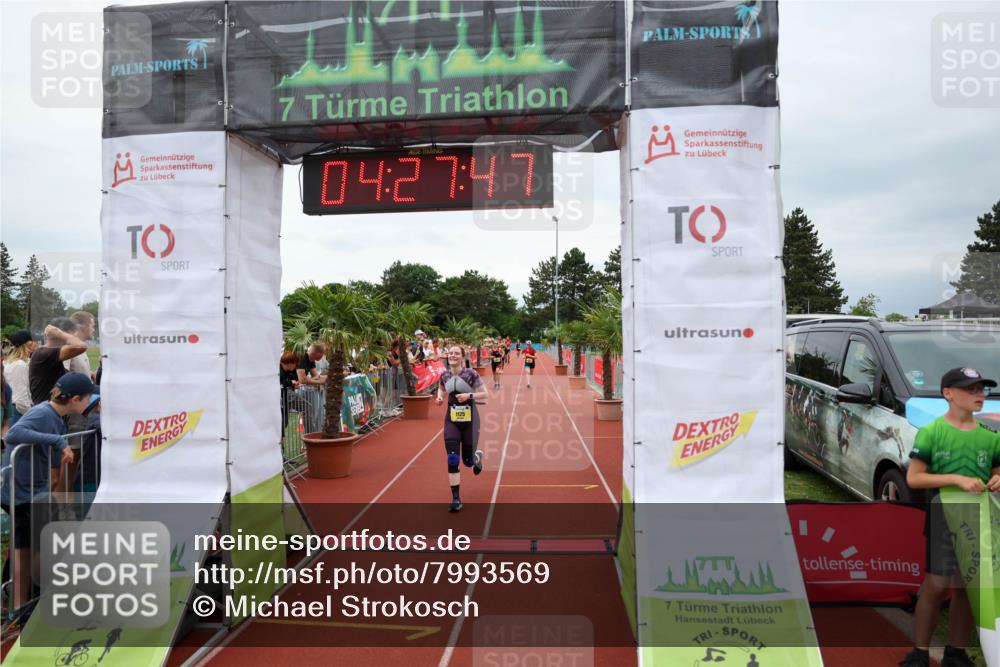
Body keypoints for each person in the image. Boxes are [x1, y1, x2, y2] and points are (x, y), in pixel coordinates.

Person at [901, 367, 1000, 667]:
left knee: (968, 585)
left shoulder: (989, 436)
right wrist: (956, 479)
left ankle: (955, 652)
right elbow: (914, 479)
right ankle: (919, 651)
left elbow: (996, 471)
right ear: (948, 394)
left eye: (982, 389)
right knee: (938, 583)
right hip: (943, 513)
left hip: (979, 517)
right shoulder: (932, 431)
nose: (979, 395)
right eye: (971, 389)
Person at [0, 372, 92, 610]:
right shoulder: (43, 413)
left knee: (26, 548)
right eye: (88, 397)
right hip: (23, 493)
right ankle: (37, 599)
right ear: (74, 399)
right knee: (44, 545)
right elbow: (13, 434)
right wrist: (59, 441)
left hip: (29, 490)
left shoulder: (53, 416)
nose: (90, 401)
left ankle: (21, 605)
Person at [435, 346, 487, 512]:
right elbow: (442, 388)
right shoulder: (444, 375)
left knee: (468, 461)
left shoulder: (471, 374)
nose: (453, 355)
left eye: (457, 353)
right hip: (452, 421)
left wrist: (469, 396)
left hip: (470, 421)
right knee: (452, 459)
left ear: (463, 357)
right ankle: (456, 499)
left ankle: (476, 457)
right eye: (451, 353)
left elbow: (484, 394)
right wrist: (439, 397)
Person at [29, 318, 87, 406]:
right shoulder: (45, 353)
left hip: (49, 411)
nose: (74, 338)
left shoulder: (47, 353)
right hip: (46, 413)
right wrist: (60, 333)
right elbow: (81, 346)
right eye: (72, 334)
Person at [4, 330, 36, 429]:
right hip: (19, 412)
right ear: (29, 343)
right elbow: (20, 398)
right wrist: (32, 415)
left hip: (13, 410)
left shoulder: (10, 363)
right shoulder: (20, 365)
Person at [296, 343, 327, 434]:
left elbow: (316, 376)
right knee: (310, 417)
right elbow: (302, 380)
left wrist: (320, 379)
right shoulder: (303, 358)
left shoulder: (311, 360)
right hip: (301, 390)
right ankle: (309, 440)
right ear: (318, 353)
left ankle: (314, 436)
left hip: (308, 390)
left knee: (315, 416)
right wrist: (319, 381)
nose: (322, 356)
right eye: (322, 354)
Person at [64, 311, 95, 377]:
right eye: (92, 326)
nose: (93, 330)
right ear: (83, 327)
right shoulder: (69, 346)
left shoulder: (79, 345)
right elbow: (61, 375)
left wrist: (90, 374)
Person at [279, 351, 300, 440]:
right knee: (281, 424)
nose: (295, 366)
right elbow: (280, 383)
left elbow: (295, 379)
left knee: (284, 422)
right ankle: (281, 449)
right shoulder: (279, 370)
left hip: (284, 400)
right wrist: (290, 383)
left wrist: (293, 383)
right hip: (279, 401)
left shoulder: (289, 371)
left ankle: (282, 449)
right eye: (294, 364)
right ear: (290, 363)